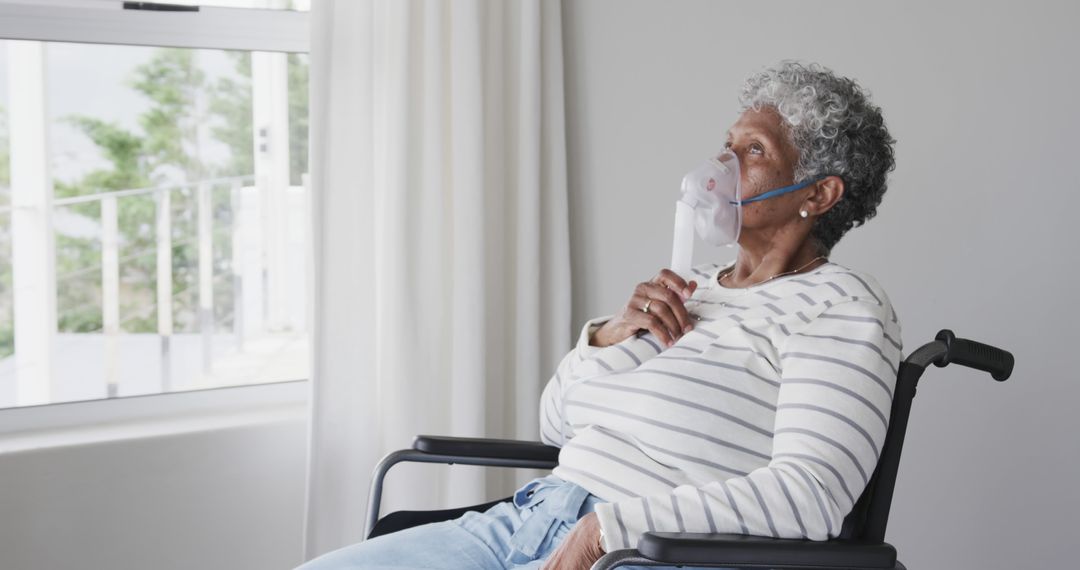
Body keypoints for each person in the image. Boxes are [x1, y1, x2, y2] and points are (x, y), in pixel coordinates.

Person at [299, 60, 900, 570]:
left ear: (818, 195)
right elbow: (556, 425)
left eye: (753, 151)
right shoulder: (689, 291)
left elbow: (809, 498)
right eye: (727, 145)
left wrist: (609, 530)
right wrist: (608, 337)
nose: (721, 167)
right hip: (530, 519)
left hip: (643, 553)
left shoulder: (842, 310)